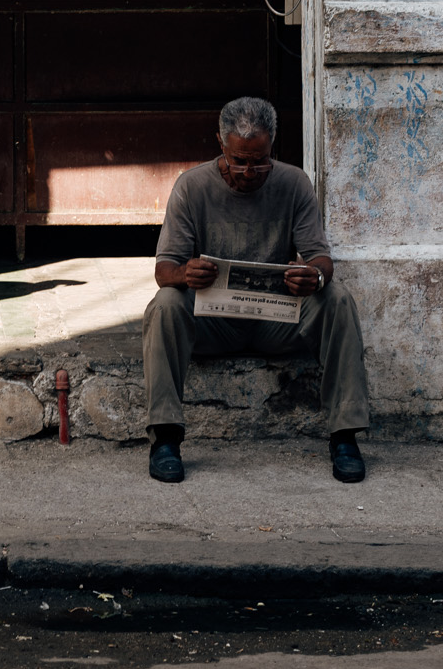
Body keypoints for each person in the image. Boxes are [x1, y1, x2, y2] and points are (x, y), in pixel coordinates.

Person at [143, 94, 369, 484]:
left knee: (337, 299)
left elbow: (320, 258)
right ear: (220, 143)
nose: (249, 172)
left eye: (260, 161)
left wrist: (313, 276)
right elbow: (164, 271)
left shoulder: (294, 183)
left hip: (275, 320)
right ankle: (165, 438)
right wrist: (185, 274)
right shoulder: (191, 187)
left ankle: (345, 436)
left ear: (272, 146)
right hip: (214, 322)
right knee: (165, 304)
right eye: (239, 160)